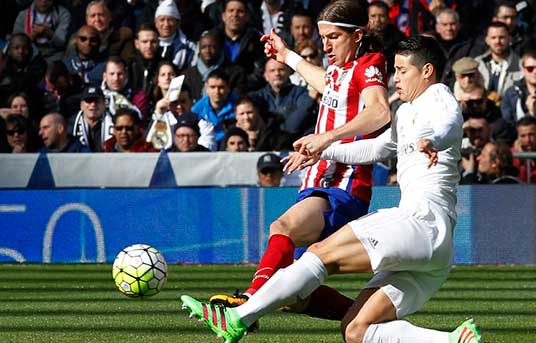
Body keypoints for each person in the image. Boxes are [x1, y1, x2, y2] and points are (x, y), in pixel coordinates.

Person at [181, 35, 485, 343]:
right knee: (356, 330)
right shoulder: (406, 112)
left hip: (420, 222)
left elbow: (448, 123)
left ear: (427, 71)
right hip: (434, 251)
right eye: (394, 70)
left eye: (402, 70)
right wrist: (322, 148)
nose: (395, 78)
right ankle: (452, 341)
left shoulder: (438, 96)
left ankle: (237, 317)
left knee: (318, 254)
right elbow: (378, 148)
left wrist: (433, 141)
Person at [207, 0, 390, 324]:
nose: (326, 45)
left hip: (342, 184)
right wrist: (286, 55)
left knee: (282, 227)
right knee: (294, 295)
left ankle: (250, 300)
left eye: (333, 37)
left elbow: (379, 111)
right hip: (320, 181)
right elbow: (327, 83)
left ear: (358, 35)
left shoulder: (369, 63)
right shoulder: (340, 71)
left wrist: (326, 139)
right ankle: (373, 322)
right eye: (323, 38)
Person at [250, 58, 315, 136]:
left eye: (281, 70)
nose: (277, 73)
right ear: (266, 76)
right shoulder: (257, 97)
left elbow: (297, 121)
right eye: (272, 70)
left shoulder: (301, 93)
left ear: (288, 73)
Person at [474, 22, 522, 102]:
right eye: (493, 38)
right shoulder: (477, 63)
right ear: (487, 40)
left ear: (509, 39)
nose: (498, 41)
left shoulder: (520, 64)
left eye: (502, 37)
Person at [191, 70, 236, 150]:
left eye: (221, 87)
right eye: (212, 87)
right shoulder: (197, 109)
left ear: (228, 88)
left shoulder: (237, 106)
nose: (217, 91)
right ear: (206, 88)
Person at [501, 50, 536, 127]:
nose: (535, 72)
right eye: (530, 68)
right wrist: (531, 114)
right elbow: (507, 124)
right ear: (523, 70)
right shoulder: (511, 93)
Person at [154, 0, 196, 71]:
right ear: (156, 23)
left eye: (170, 20)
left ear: (177, 23)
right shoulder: (149, 44)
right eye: (162, 20)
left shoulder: (189, 46)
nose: (166, 24)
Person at [70, 85, 113, 152]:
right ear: (81, 105)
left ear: (104, 104)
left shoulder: (115, 123)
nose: (93, 104)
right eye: (89, 100)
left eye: (97, 101)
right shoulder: (70, 125)